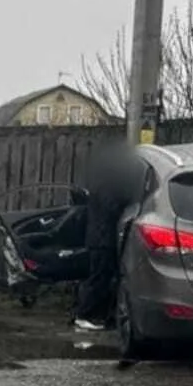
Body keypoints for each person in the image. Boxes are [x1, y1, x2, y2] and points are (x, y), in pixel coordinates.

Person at [73, 138, 145, 332]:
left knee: (103, 277)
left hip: (100, 238)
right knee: (99, 278)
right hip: (102, 239)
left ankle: (98, 315)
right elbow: (112, 207)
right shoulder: (107, 187)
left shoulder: (99, 183)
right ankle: (84, 314)